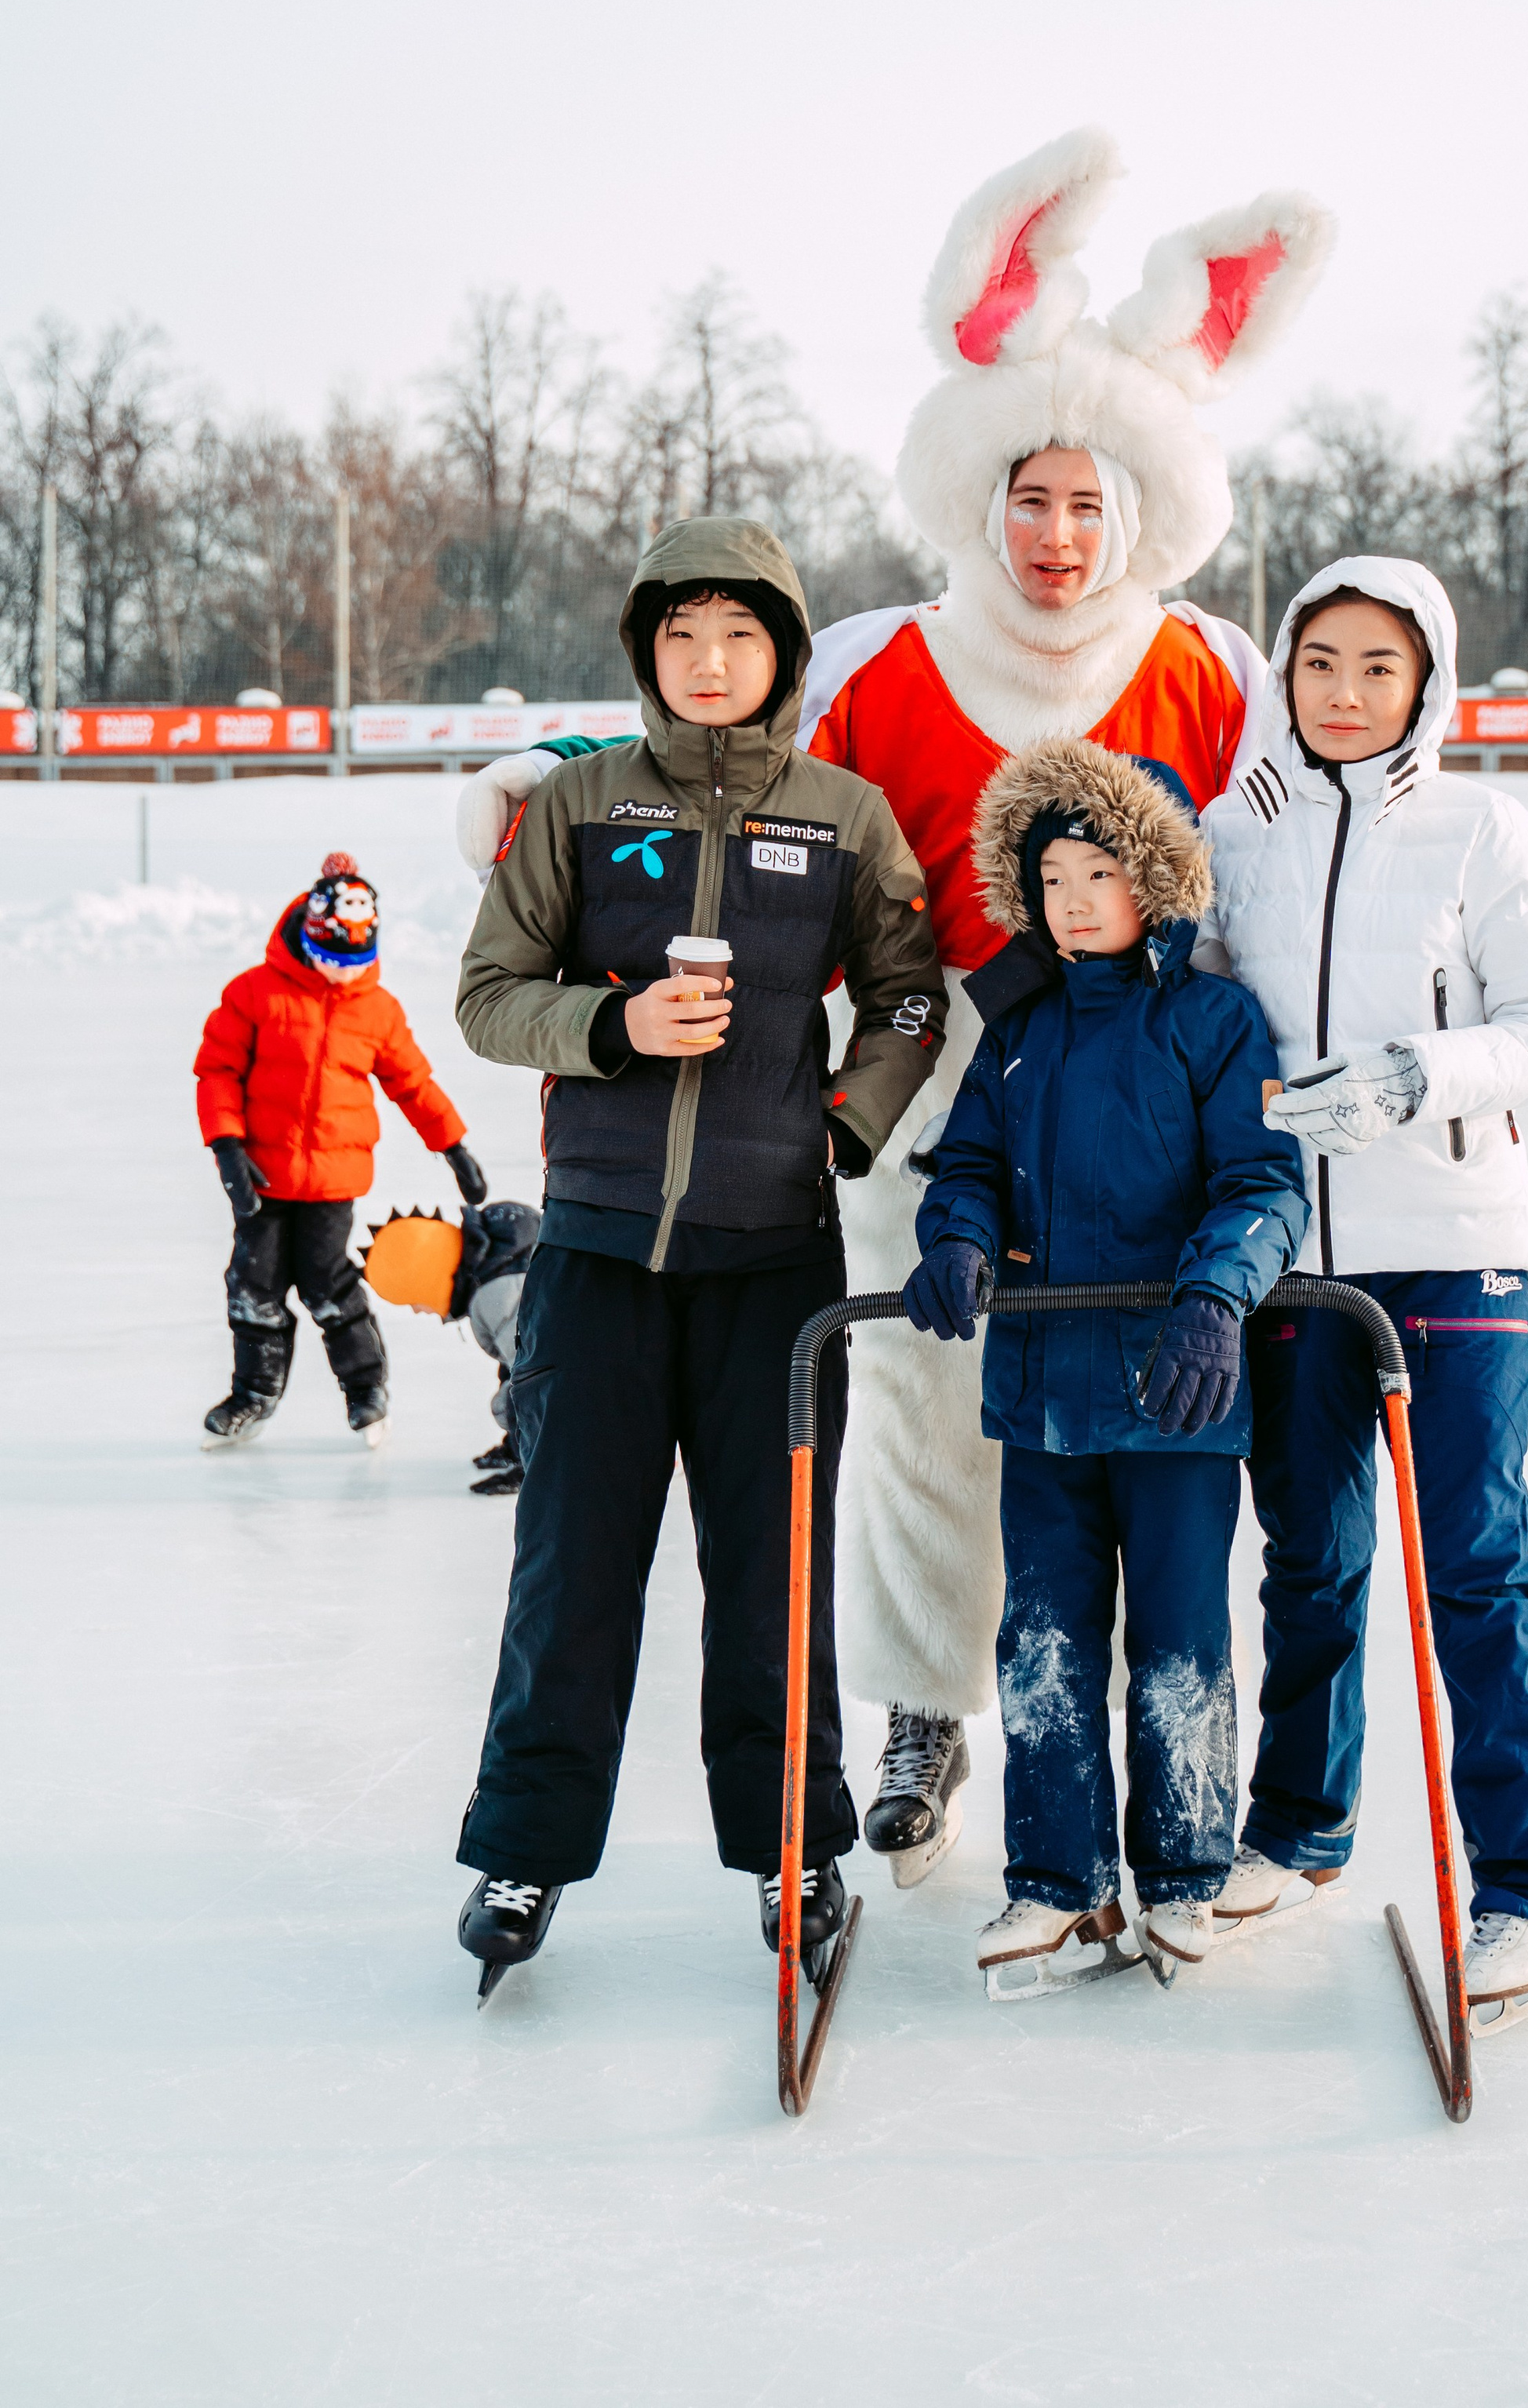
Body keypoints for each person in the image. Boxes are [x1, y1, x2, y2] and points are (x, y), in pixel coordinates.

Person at [449, 129, 1333, 1890]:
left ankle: (1135, 1746)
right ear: (979, 497)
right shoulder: (876, 656)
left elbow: (1287, 858)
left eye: (1089, 503)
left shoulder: (1211, 669)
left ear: (1139, 513)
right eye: (1032, 497)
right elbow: (718, 764)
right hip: (937, 1102)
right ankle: (926, 1706)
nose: (1059, 536)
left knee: (1122, 1425)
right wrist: (548, 778)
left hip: (1145, 1114)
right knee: (927, 1415)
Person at [449, 518, 948, 1995]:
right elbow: (488, 994)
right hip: (596, 1256)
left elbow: (909, 996)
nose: (710, 660)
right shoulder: (581, 803)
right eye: (682, 634)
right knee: (570, 1575)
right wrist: (615, 1025)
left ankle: (794, 1845)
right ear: (646, 649)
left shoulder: (845, 816)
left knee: (773, 1578)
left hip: (772, 1265)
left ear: (782, 652)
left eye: (739, 634)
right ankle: (525, 1850)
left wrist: (846, 1125)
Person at [1192, 557, 1528, 2032]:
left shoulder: (1479, 828)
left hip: (1456, 1242)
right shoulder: (1236, 831)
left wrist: (1413, 1076)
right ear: (1285, 675)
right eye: (1320, 663)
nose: (1347, 693)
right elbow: (1197, 1020)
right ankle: (1299, 1829)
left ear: (1427, 681)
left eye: (1380, 666)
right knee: (1308, 1560)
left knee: (1475, 1566)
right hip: (1294, 1259)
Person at [902, 740, 1308, 1985]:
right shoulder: (1019, 1027)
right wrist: (958, 1235)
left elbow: (1264, 1180)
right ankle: (1058, 1878)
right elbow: (968, 1161)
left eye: (1101, 872)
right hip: (1042, 1389)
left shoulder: (1214, 1021)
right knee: (1044, 1636)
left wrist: (1215, 1296)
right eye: (1053, 879)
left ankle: (1183, 1870)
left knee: (1181, 1636)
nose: (1075, 901)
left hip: (1176, 1386)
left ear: (1158, 878)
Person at [194, 852, 485, 1450]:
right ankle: (253, 1394)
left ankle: (366, 1389)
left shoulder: (377, 1009)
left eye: (354, 964)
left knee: (326, 1283)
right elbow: (218, 1070)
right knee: (253, 1283)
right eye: (331, 959)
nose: (341, 975)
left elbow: (412, 1083)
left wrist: (452, 1144)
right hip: (262, 1173)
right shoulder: (254, 992)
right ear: (309, 936)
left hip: (334, 1179)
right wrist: (226, 1145)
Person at [359, 1196, 543, 1492]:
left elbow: (538, 1381)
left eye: (412, 1300)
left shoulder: (497, 1295)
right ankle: (521, 1450)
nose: (417, 1311)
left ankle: (535, 1463)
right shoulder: (494, 1268)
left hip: (588, 1371)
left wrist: (532, 1466)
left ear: (429, 1280)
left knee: (517, 1392)